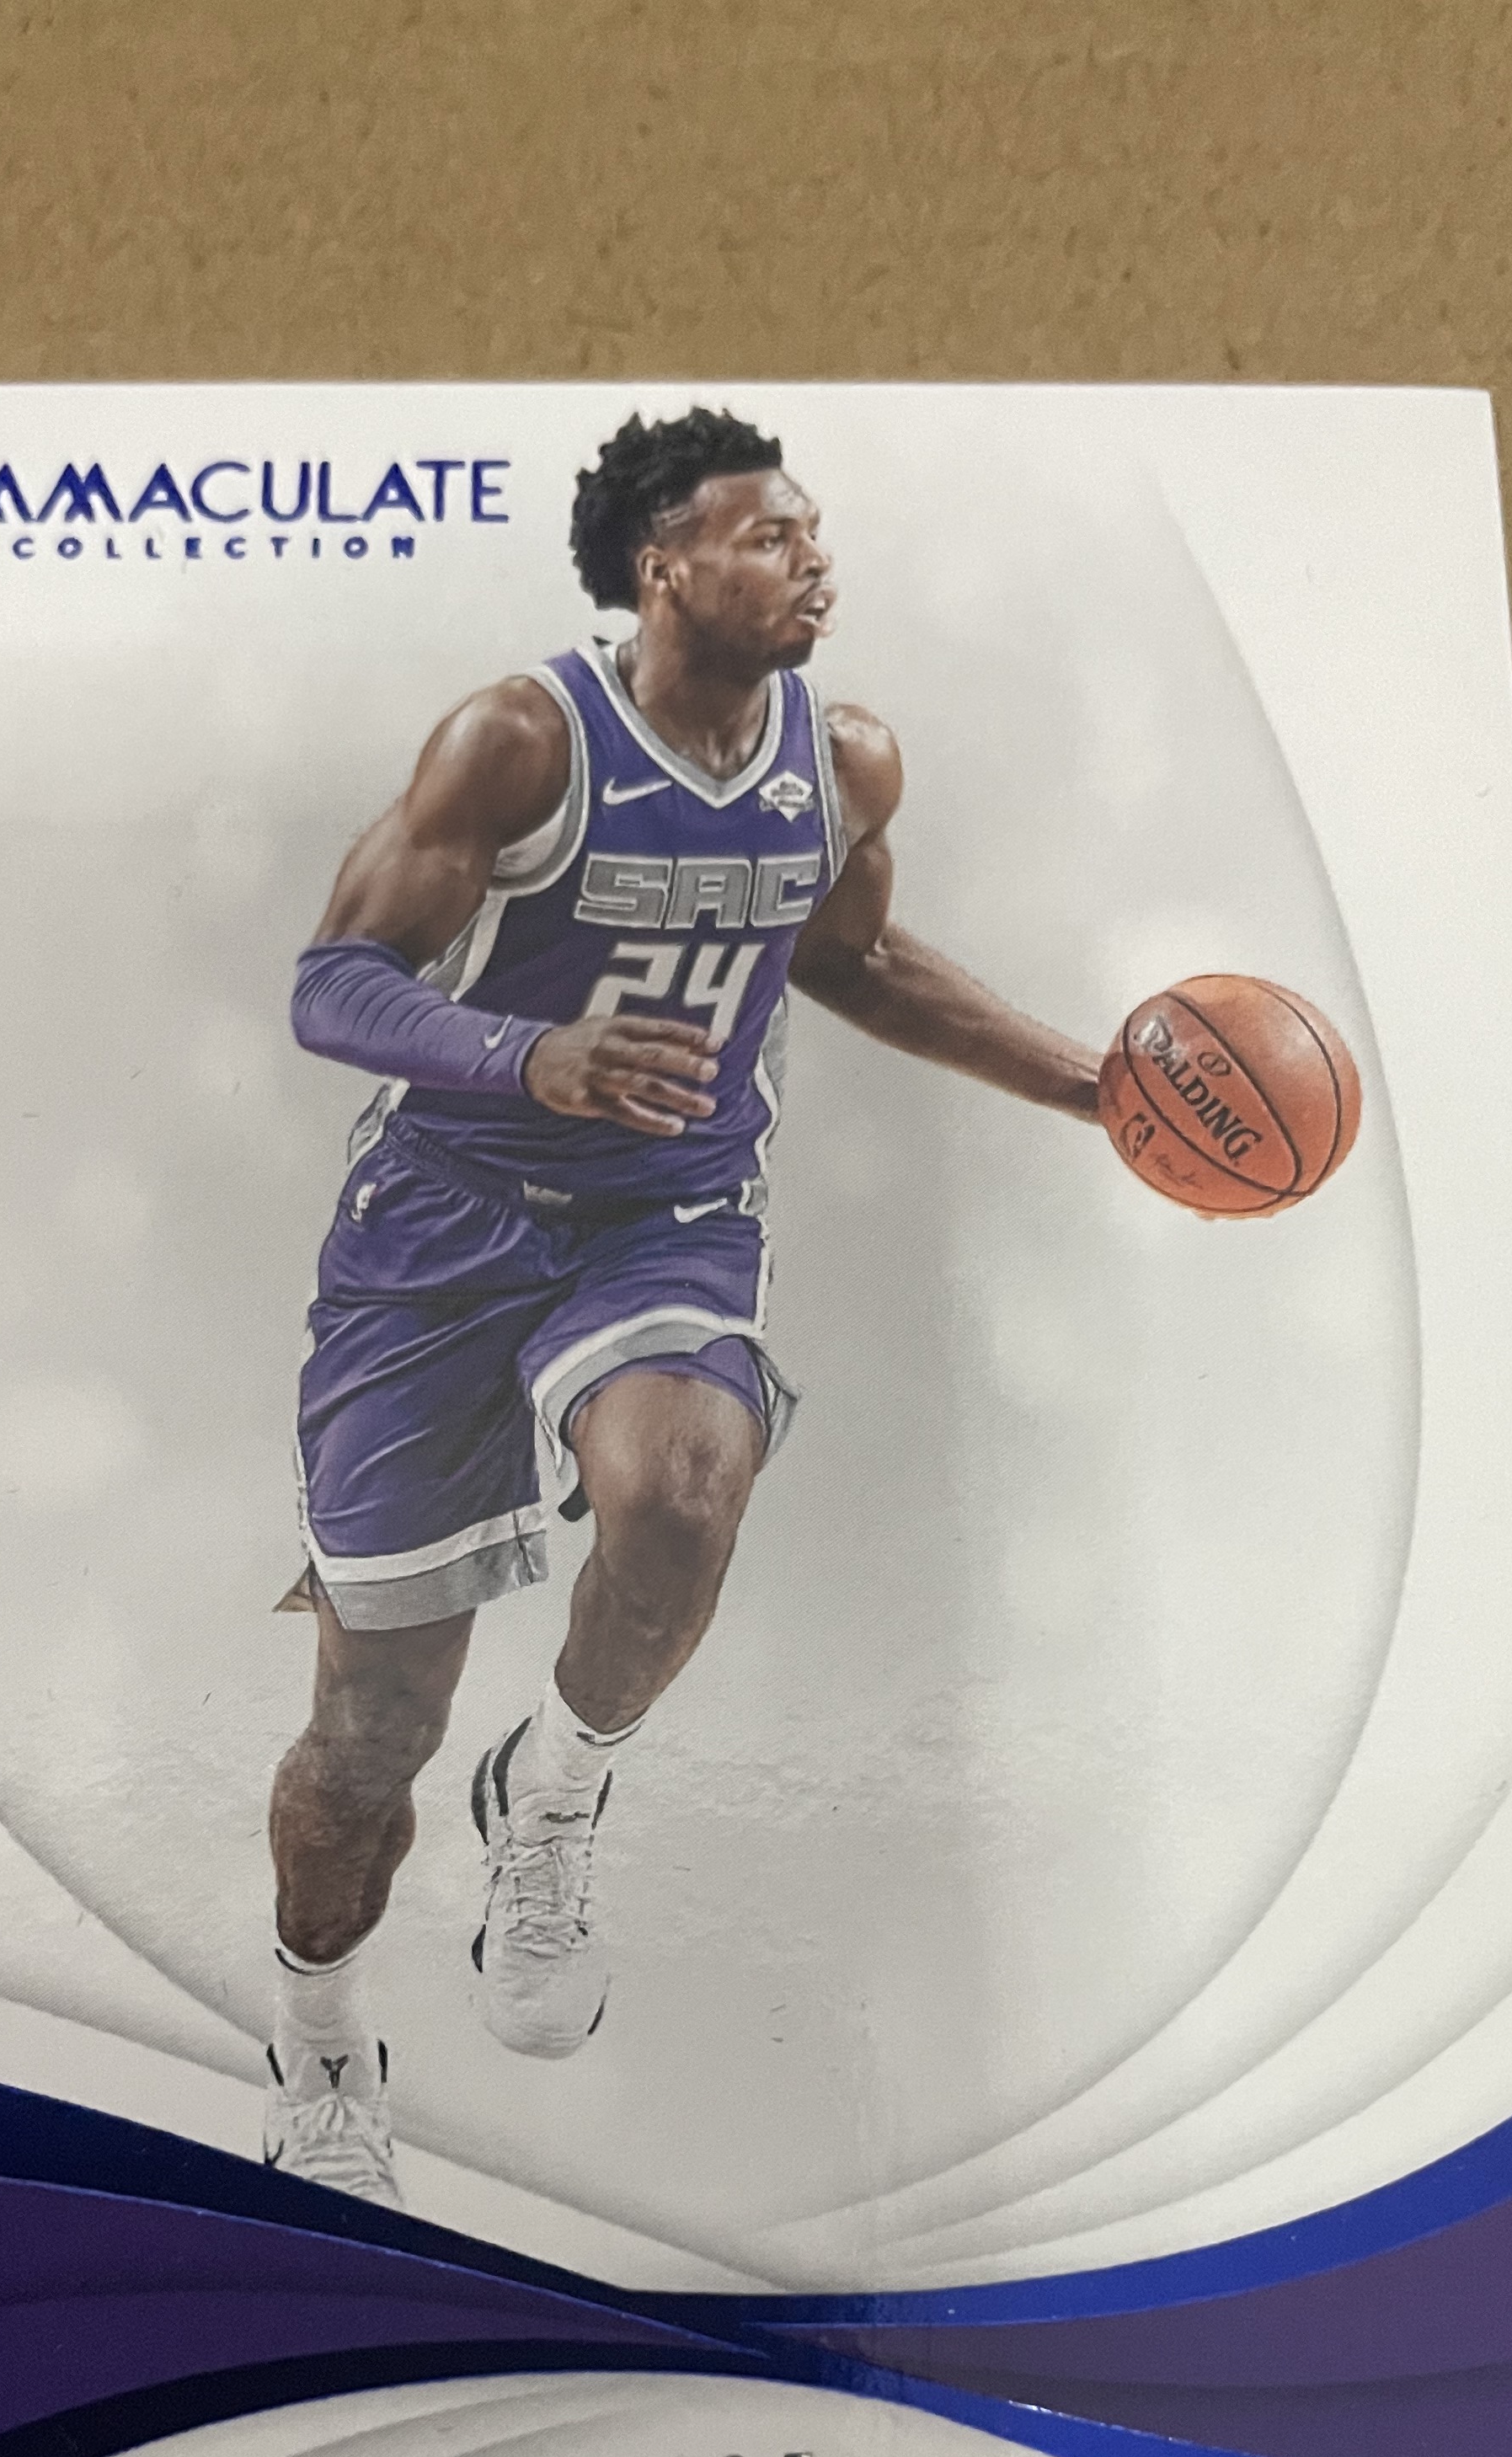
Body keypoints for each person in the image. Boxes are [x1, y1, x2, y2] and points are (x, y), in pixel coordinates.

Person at [266, 406, 1103, 2204]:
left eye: (815, 531)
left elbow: (853, 962)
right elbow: (335, 984)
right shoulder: (518, 740)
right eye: (769, 535)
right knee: (367, 1741)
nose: (814, 560)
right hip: (442, 1227)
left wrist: (1093, 1086)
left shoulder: (846, 761)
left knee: (684, 1496)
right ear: (664, 567)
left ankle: (555, 1795)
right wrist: (529, 1053)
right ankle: (322, 2028)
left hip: (668, 1218)